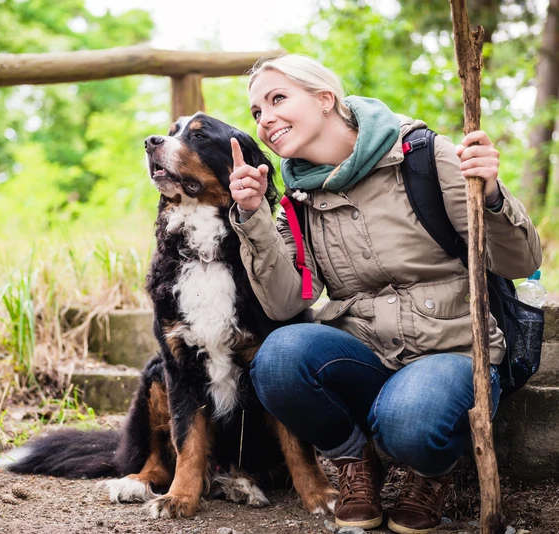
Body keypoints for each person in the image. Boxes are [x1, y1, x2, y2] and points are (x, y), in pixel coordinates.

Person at [227, 53, 541, 534]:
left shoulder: (423, 156)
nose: (265, 119)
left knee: (411, 420)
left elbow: (520, 262)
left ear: (325, 99)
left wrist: (494, 195)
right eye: (256, 112)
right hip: (366, 353)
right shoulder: (296, 200)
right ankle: (358, 463)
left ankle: (428, 472)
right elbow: (287, 302)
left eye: (277, 99)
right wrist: (254, 219)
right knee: (278, 357)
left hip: (452, 351)